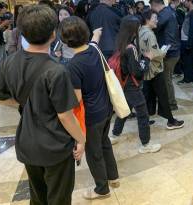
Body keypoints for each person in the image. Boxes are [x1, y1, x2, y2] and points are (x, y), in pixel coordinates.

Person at [0, 5, 86, 204]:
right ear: (53, 34)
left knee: (37, 196)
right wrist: (81, 139)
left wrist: (24, 100)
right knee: (59, 197)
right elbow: (65, 115)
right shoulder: (56, 70)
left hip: (27, 141)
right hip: (55, 145)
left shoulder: (10, 62)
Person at [60, 16, 119, 200]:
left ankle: (102, 189)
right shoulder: (94, 50)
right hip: (107, 108)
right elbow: (94, 40)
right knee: (105, 143)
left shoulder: (73, 65)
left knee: (94, 153)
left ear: (65, 41)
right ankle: (113, 177)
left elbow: (76, 98)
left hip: (92, 115)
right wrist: (95, 34)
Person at [110, 15, 162, 154]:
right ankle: (146, 144)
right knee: (143, 114)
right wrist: (146, 59)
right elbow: (137, 72)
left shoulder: (120, 43)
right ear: (133, 29)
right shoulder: (131, 48)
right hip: (132, 86)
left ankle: (114, 135)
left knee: (124, 111)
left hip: (123, 84)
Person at [139, 9, 185, 130]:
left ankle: (145, 120)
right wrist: (163, 52)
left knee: (147, 95)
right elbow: (154, 53)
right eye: (155, 18)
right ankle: (171, 121)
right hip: (154, 69)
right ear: (148, 19)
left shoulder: (140, 31)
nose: (157, 21)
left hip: (147, 70)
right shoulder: (149, 34)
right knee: (163, 96)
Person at [150, 0, 181, 111]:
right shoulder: (170, 11)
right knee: (166, 78)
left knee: (166, 79)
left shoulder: (164, 14)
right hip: (173, 50)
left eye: (151, 6)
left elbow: (154, 27)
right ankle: (168, 101)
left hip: (169, 52)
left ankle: (172, 104)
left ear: (154, 4)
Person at [177, 0, 193, 85]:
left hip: (189, 41)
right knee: (190, 60)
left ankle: (188, 78)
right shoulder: (192, 11)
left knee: (188, 60)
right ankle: (192, 78)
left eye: (185, 1)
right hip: (188, 40)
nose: (184, 2)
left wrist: (189, 44)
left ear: (190, 1)